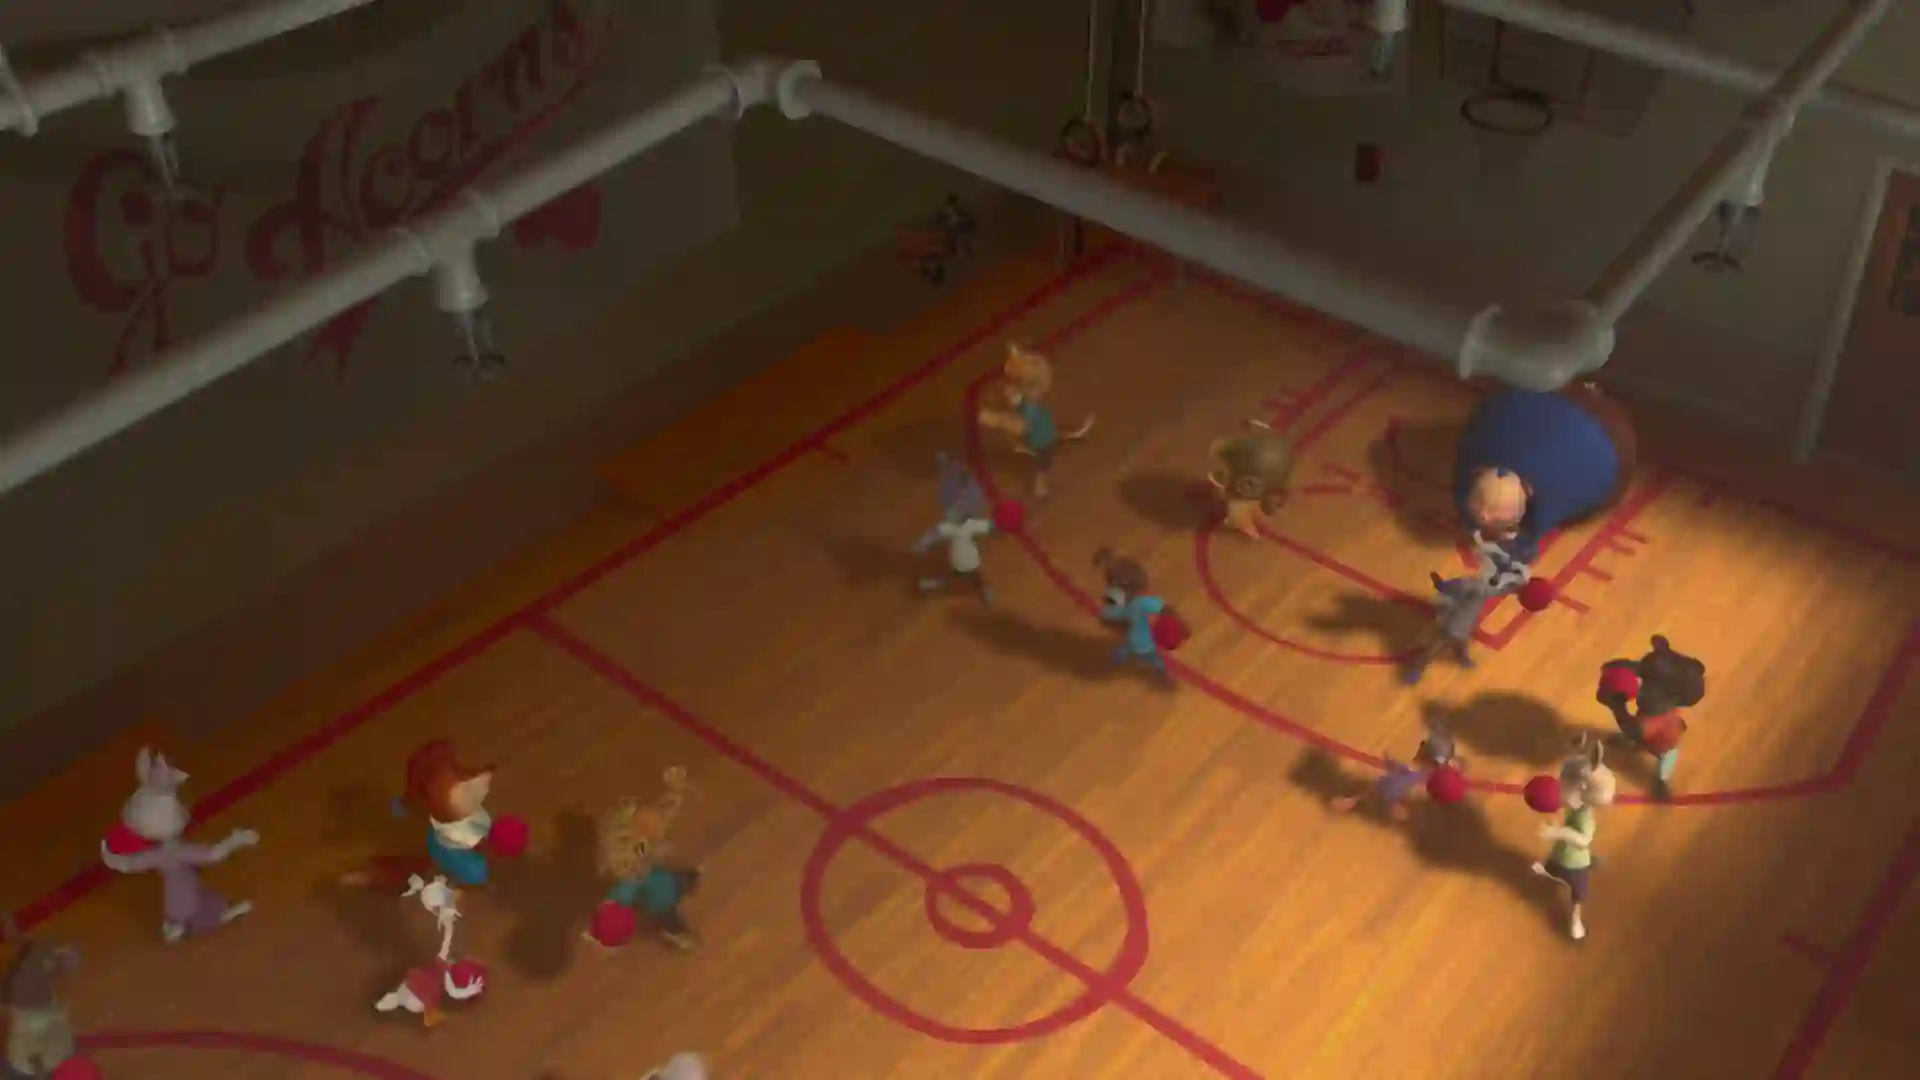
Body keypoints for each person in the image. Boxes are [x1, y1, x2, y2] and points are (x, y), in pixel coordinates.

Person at [1331, 718, 1463, 821]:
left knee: (1387, 788)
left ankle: (1351, 802)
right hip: (1408, 777)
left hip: (1406, 778)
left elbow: (1383, 786)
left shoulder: (1413, 772)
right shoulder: (1417, 772)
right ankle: (1351, 802)